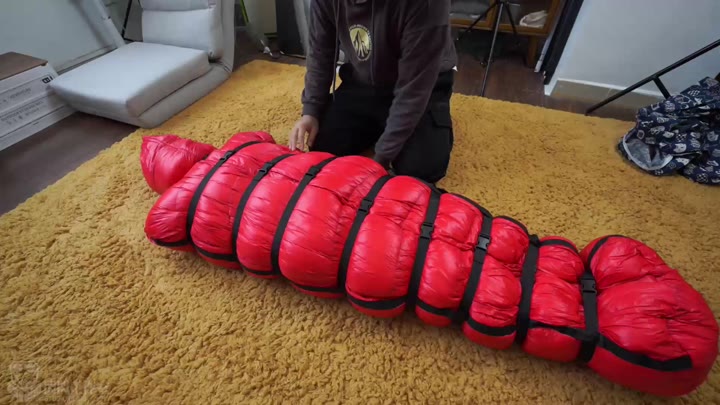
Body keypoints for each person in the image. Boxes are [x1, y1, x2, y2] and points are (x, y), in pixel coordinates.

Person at [288, 0, 457, 183]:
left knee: (421, 170)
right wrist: (311, 111)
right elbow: (321, 53)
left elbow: (414, 91)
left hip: (424, 82)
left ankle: (431, 117)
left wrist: (380, 158)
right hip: (364, 80)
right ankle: (382, 125)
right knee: (322, 145)